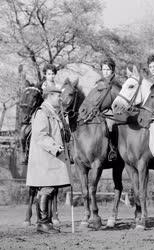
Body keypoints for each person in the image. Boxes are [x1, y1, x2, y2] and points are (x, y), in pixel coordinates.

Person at [26, 86, 72, 234]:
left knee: (52, 188)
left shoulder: (53, 112)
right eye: (58, 96)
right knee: (46, 189)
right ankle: (42, 223)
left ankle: (48, 222)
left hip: (52, 158)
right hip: (45, 158)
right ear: (49, 96)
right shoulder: (42, 112)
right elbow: (41, 135)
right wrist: (56, 147)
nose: (60, 98)